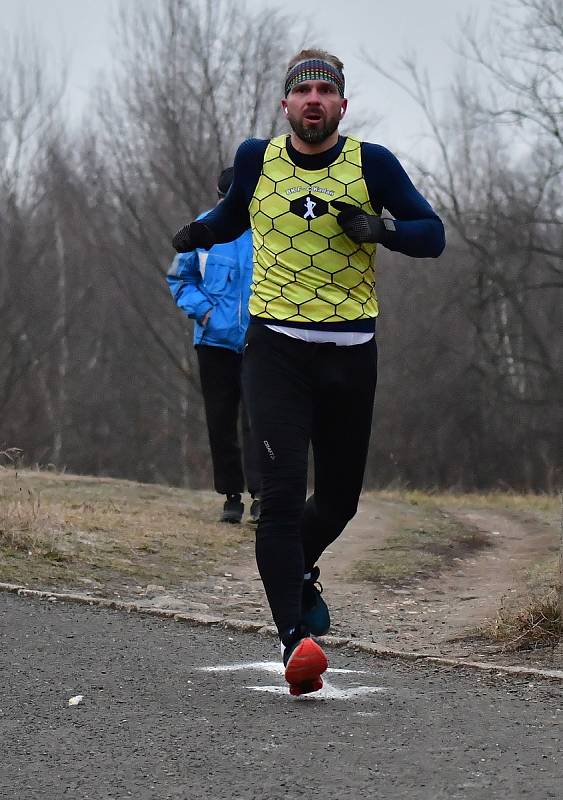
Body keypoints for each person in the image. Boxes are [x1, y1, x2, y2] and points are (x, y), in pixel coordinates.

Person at [171, 49, 445, 696]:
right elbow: (234, 212)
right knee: (282, 497)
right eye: (303, 92)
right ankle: (296, 641)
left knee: (341, 500)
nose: (314, 100)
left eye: (326, 91)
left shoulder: (370, 163)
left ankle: (296, 574)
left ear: (341, 107)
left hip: (350, 351)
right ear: (285, 105)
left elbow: (431, 234)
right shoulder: (255, 158)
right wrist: (199, 231)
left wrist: (379, 229)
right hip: (275, 351)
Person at [167, 167, 261, 525]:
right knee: (221, 421)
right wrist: (202, 312)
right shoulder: (201, 229)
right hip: (214, 343)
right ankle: (231, 497)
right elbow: (179, 276)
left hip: (259, 342)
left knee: (259, 421)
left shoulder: (267, 229)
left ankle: (262, 496)